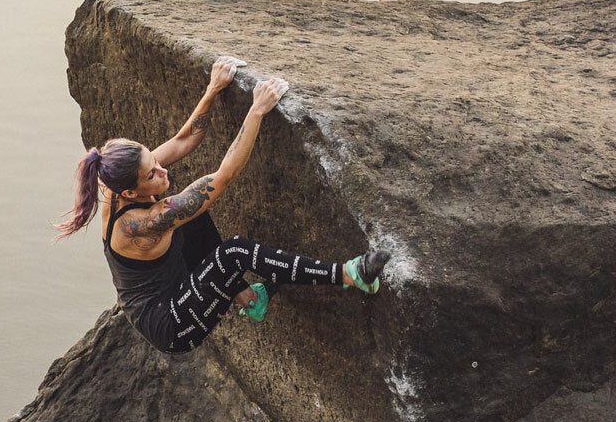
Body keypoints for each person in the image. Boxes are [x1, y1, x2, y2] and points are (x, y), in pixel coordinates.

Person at [55, 56, 388, 354]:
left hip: (176, 285)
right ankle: (350, 274)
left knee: (192, 216)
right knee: (233, 251)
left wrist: (213, 88)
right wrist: (256, 110)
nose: (161, 169)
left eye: (152, 159)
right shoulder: (139, 224)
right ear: (128, 193)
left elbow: (183, 140)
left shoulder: (123, 180)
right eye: (151, 174)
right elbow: (225, 176)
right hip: (172, 325)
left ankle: (248, 299)